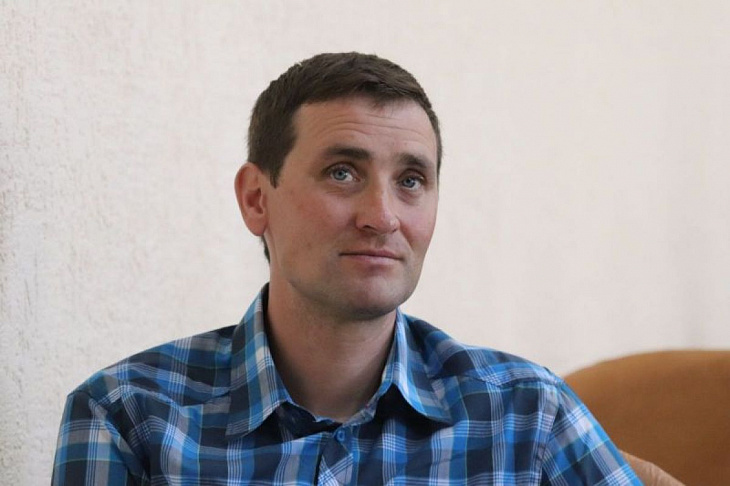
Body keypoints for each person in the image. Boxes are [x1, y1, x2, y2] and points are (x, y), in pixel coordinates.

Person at [52, 52, 641, 485]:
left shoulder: (528, 415)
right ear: (256, 199)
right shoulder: (128, 416)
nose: (382, 217)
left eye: (411, 180)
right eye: (342, 173)